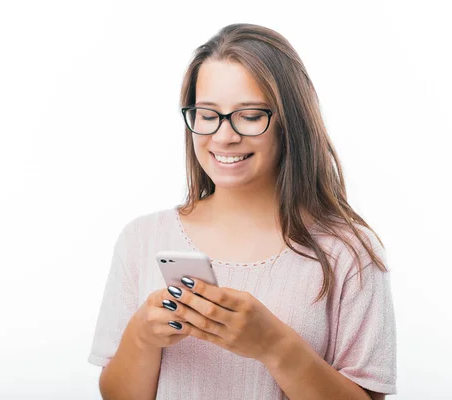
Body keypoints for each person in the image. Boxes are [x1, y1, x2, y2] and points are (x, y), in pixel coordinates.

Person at [88, 23, 397, 400]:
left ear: (289, 122)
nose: (223, 136)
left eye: (249, 116)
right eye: (207, 114)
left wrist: (274, 345)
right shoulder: (141, 238)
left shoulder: (349, 252)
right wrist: (143, 335)